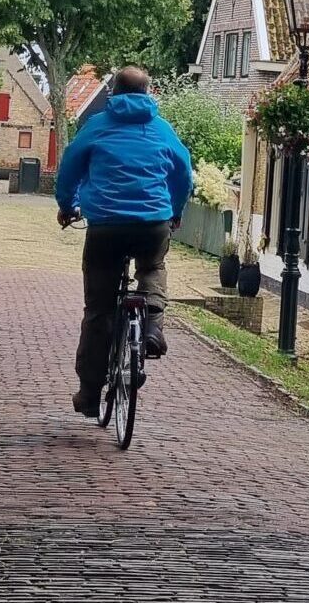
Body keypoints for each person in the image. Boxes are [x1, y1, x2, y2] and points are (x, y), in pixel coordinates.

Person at [55, 65, 192, 416]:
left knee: (98, 311)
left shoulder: (97, 126)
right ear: (149, 93)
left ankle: (88, 394)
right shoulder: (162, 129)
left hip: (106, 226)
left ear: (113, 93)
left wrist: (67, 205)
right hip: (152, 223)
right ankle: (152, 327)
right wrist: (174, 210)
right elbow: (182, 173)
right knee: (153, 267)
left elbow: (70, 165)